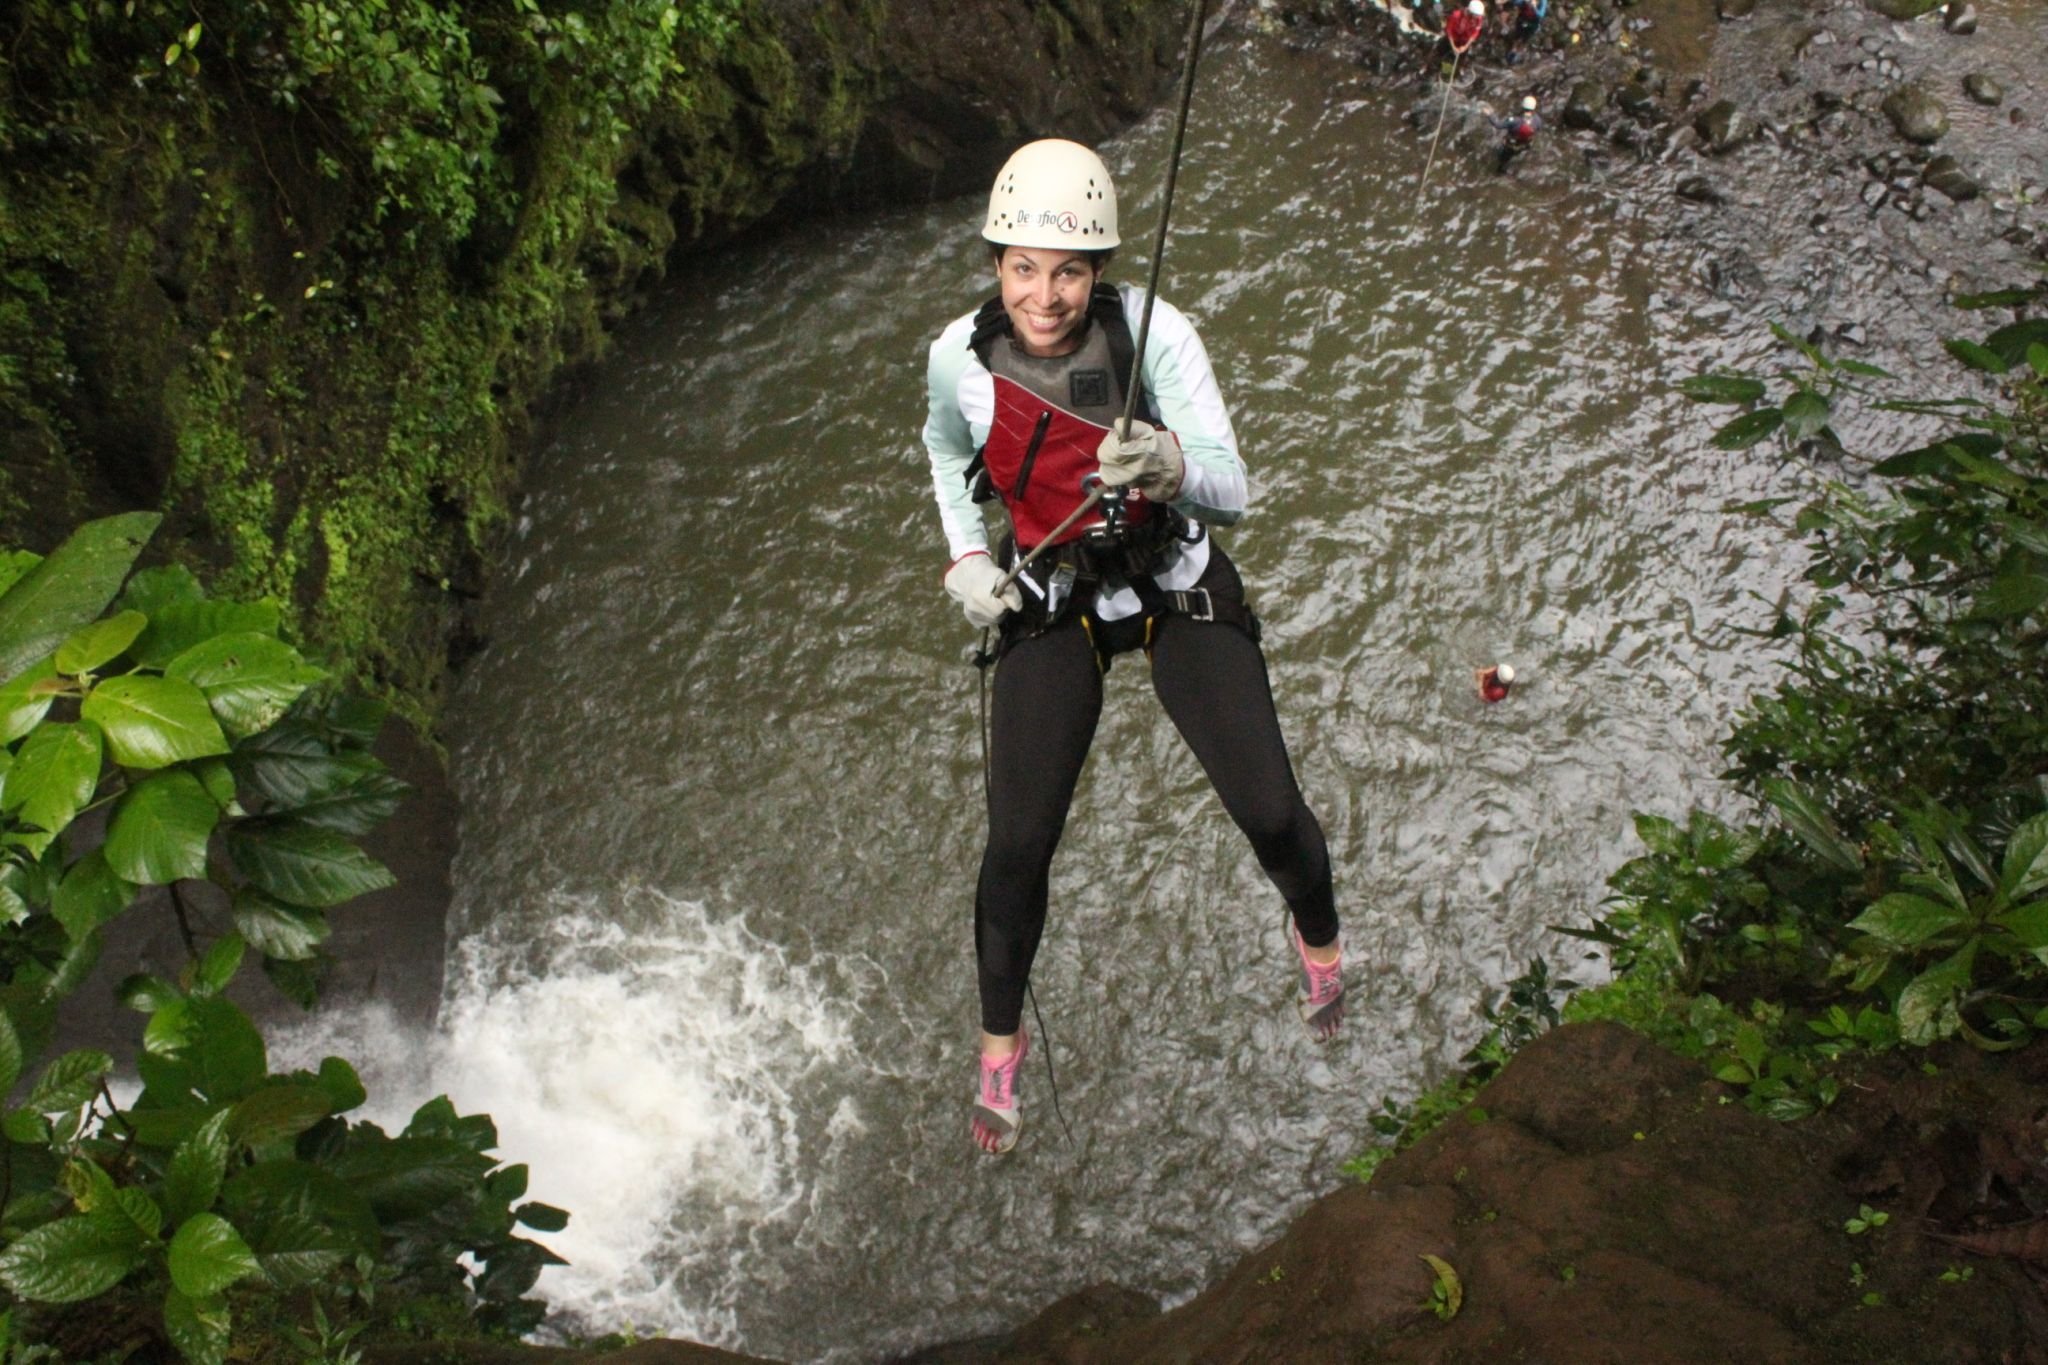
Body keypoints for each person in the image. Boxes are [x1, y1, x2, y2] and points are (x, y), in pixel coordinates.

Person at [922, 139, 1344, 1156]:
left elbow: (1237, 491)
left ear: (1097, 271)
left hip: (1169, 575)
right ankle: (998, 1044)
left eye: (1067, 270)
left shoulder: (1157, 335)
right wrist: (964, 561)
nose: (1045, 293)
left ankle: (1320, 944)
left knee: (1272, 811)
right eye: (1023, 267)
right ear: (995, 266)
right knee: (1017, 845)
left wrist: (1165, 464)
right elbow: (944, 453)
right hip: (1052, 588)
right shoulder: (958, 359)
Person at [1494, 94, 1541, 170]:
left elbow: (1498, 125)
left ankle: (1501, 171)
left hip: (1511, 146)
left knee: (1502, 159)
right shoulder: (1537, 120)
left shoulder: (1515, 121)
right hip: (1525, 145)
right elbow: (1537, 130)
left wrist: (1489, 114)